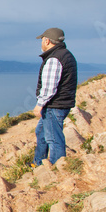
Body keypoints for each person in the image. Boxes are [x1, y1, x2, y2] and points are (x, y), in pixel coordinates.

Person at [33, 27, 77, 165]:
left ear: (47, 41)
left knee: (53, 138)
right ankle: (38, 163)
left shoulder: (54, 59)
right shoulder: (65, 54)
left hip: (54, 105)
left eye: (42, 40)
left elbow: (49, 87)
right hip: (60, 104)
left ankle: (58, 168)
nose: (41, 43)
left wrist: (39, 105)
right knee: (41, 131)